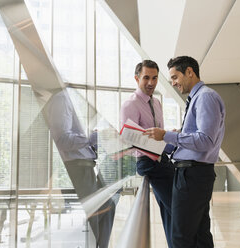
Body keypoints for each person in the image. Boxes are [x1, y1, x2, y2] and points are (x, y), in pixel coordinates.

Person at [144, 56, 225, 248]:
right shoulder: (198, 98)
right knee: (199, 234)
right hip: (193, 174)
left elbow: (205, 140)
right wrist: (173, 138)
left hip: (192, 175)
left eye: (175, 77)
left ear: (190, 72)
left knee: (181, 235)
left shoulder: (205, 97)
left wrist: (167, 136)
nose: (173, 83)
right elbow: (197, 138)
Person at [44, 88, 116, 248]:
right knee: (94, 217)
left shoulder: (69, 98)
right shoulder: (61, 98)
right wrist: (91, 138)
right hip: (78, 167)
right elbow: (62, 139)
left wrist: (91, 137)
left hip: (86, 166)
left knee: (107, 208)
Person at [120, 59, 175, 248]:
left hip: (162, 159)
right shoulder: (130, 105)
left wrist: (169, 139)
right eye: (146, 78)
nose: (151, 82)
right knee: (177, 210)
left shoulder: (157, 102)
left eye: (154, 78)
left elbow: (159, 133)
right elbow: (128, 140)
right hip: (149, 162)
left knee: (170, 213)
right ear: (137, 78)